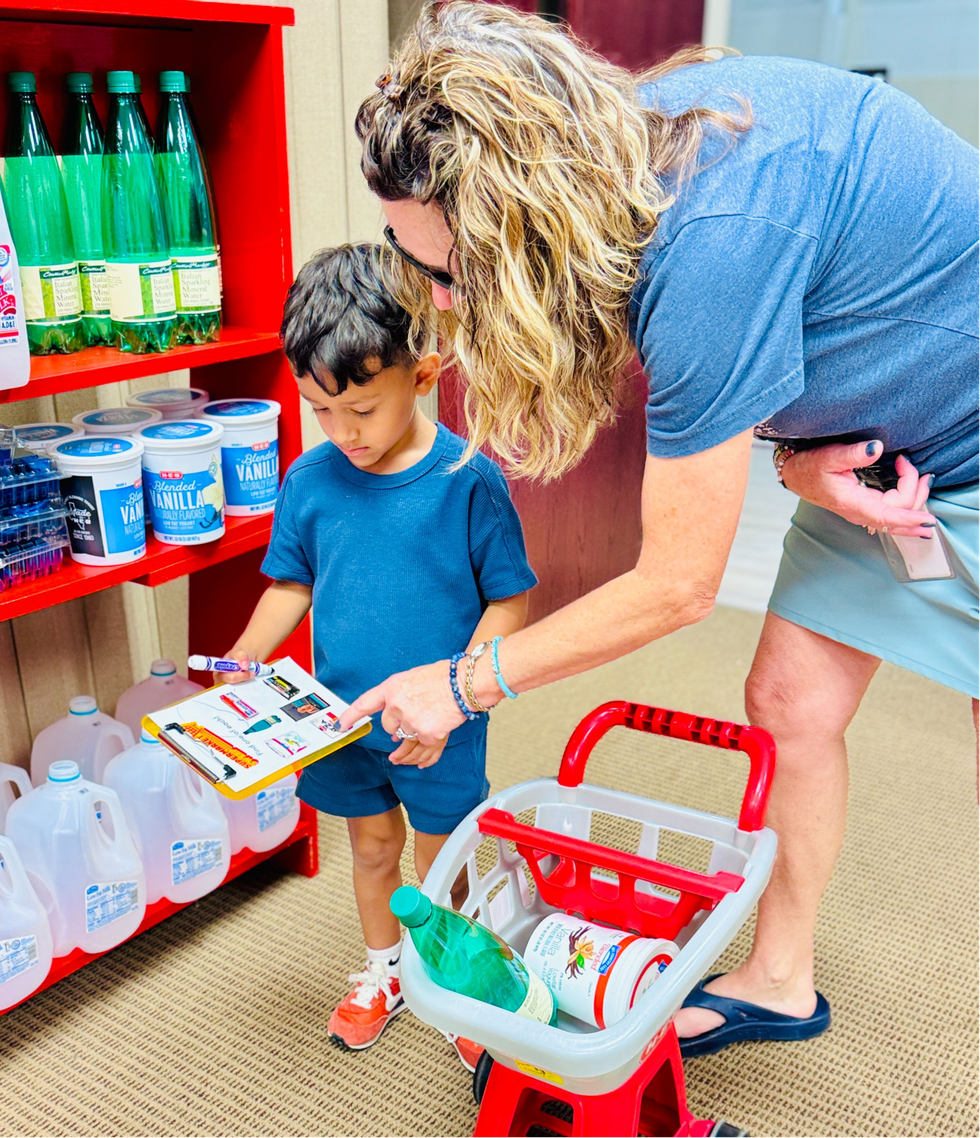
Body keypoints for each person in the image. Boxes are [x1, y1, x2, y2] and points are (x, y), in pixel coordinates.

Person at [341, 1, 979, 1057]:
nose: (442, 305)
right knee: (787, 698)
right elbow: (792, 341)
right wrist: (793, 461)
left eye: (447, 273)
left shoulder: (707, 240)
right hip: (873, 452)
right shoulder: (609, 151)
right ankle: (779, 981)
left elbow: (679, 585)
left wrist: (462, 684)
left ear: (513, 225)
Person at [220, 242, 536, 1065]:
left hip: (440, 724)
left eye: (361, 411)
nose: (342, 432)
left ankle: (465, 978)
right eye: (322, 411)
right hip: (338, 720)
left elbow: (511, 600)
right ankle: (384, 969)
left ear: (424, 376)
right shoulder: (310, 479)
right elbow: (291, 584)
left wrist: (465, 696)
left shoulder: (469, 480)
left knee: (444, 862)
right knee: (369, 849)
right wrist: (246, 658)